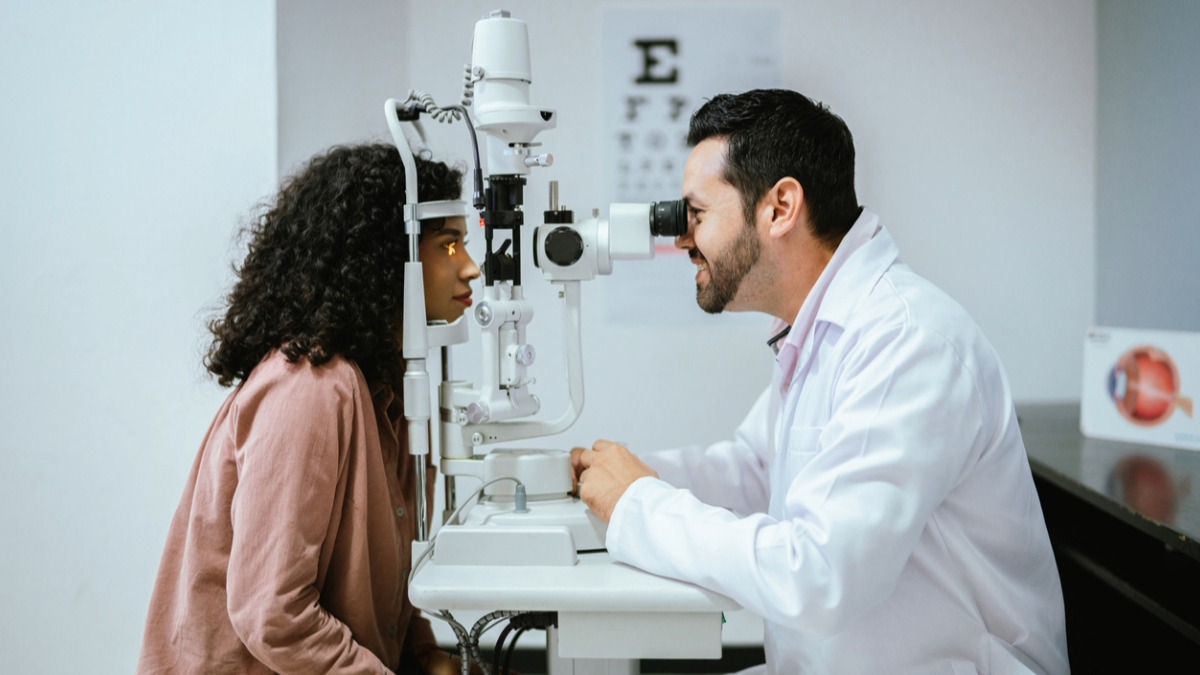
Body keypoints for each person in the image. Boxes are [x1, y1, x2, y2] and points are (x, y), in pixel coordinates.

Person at [573, 90, 1070, 674]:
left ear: (781, 206)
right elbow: (756, 468)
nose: (681, 239)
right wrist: (625, 476)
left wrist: (639, 504)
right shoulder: (823, 329)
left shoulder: (906, 342)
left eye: (697, 214)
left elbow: (819, 575)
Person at [137, 143, 481, 674]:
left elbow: (378, 593)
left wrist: (429, 660)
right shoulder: (313, 388)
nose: (473, 269)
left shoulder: (383, 392)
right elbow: (273, 613)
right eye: (450, 245)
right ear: (390, 254)